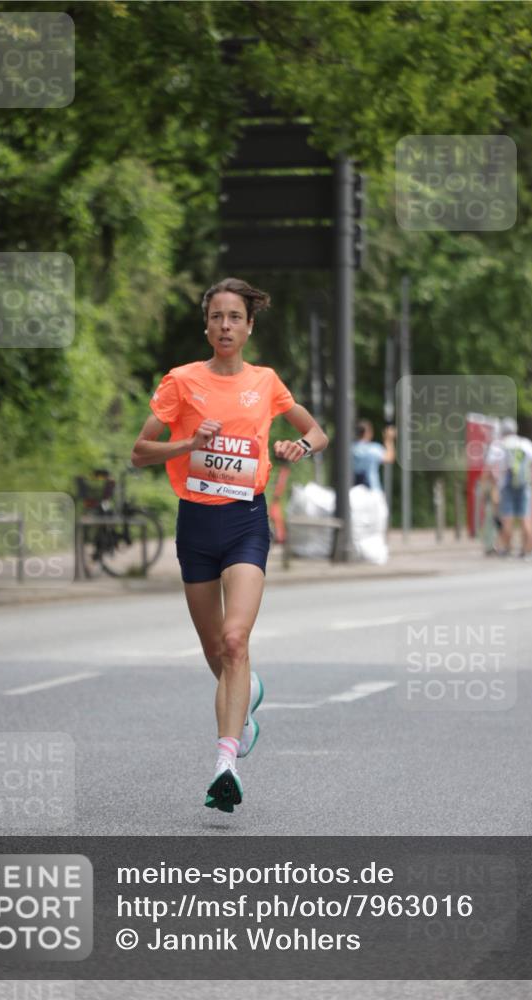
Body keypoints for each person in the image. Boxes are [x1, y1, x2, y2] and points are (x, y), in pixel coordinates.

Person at [131, 278, 328, 813]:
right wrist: (189, 443)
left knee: (236, 640)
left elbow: (316, 432)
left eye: (234, 317)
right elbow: (140, 452)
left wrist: (297, 446)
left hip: (246, 522)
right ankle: (247, 697)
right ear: (206, 324)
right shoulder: (182, 381)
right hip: (195, 525)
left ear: (248, 327)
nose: (225, 325)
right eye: (216, 316)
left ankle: (226, 762)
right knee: (218, 652)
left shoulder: (265, 382)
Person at [485, 417, 532, 557]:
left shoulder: (498, 446)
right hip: (524, 485)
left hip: (505, 485)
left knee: (506, 519)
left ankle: (507, 548)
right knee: (525, 518)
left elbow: (489, 468)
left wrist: (492, 482)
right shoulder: (525, 443)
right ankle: (526, 550)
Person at [351, 420, 396, 490]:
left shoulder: (350, 449)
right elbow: (389, 458)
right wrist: (389, 439)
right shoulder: (373, 449)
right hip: (372, 491)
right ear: (368, 433)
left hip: (352, 491)